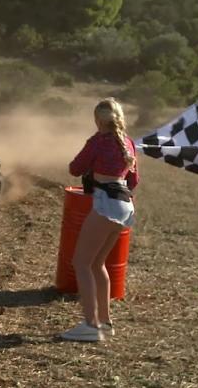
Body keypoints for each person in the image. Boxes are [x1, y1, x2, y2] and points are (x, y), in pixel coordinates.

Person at [62, 97, 139, 342]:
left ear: (98, 119)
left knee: (81, 263)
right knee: (97, 264)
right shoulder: (128, 142)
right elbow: (134, 181)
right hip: (125, 204)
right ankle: (105, 323)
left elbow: (75, 168)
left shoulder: (98, 141)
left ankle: (91, 325)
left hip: (106, 203)